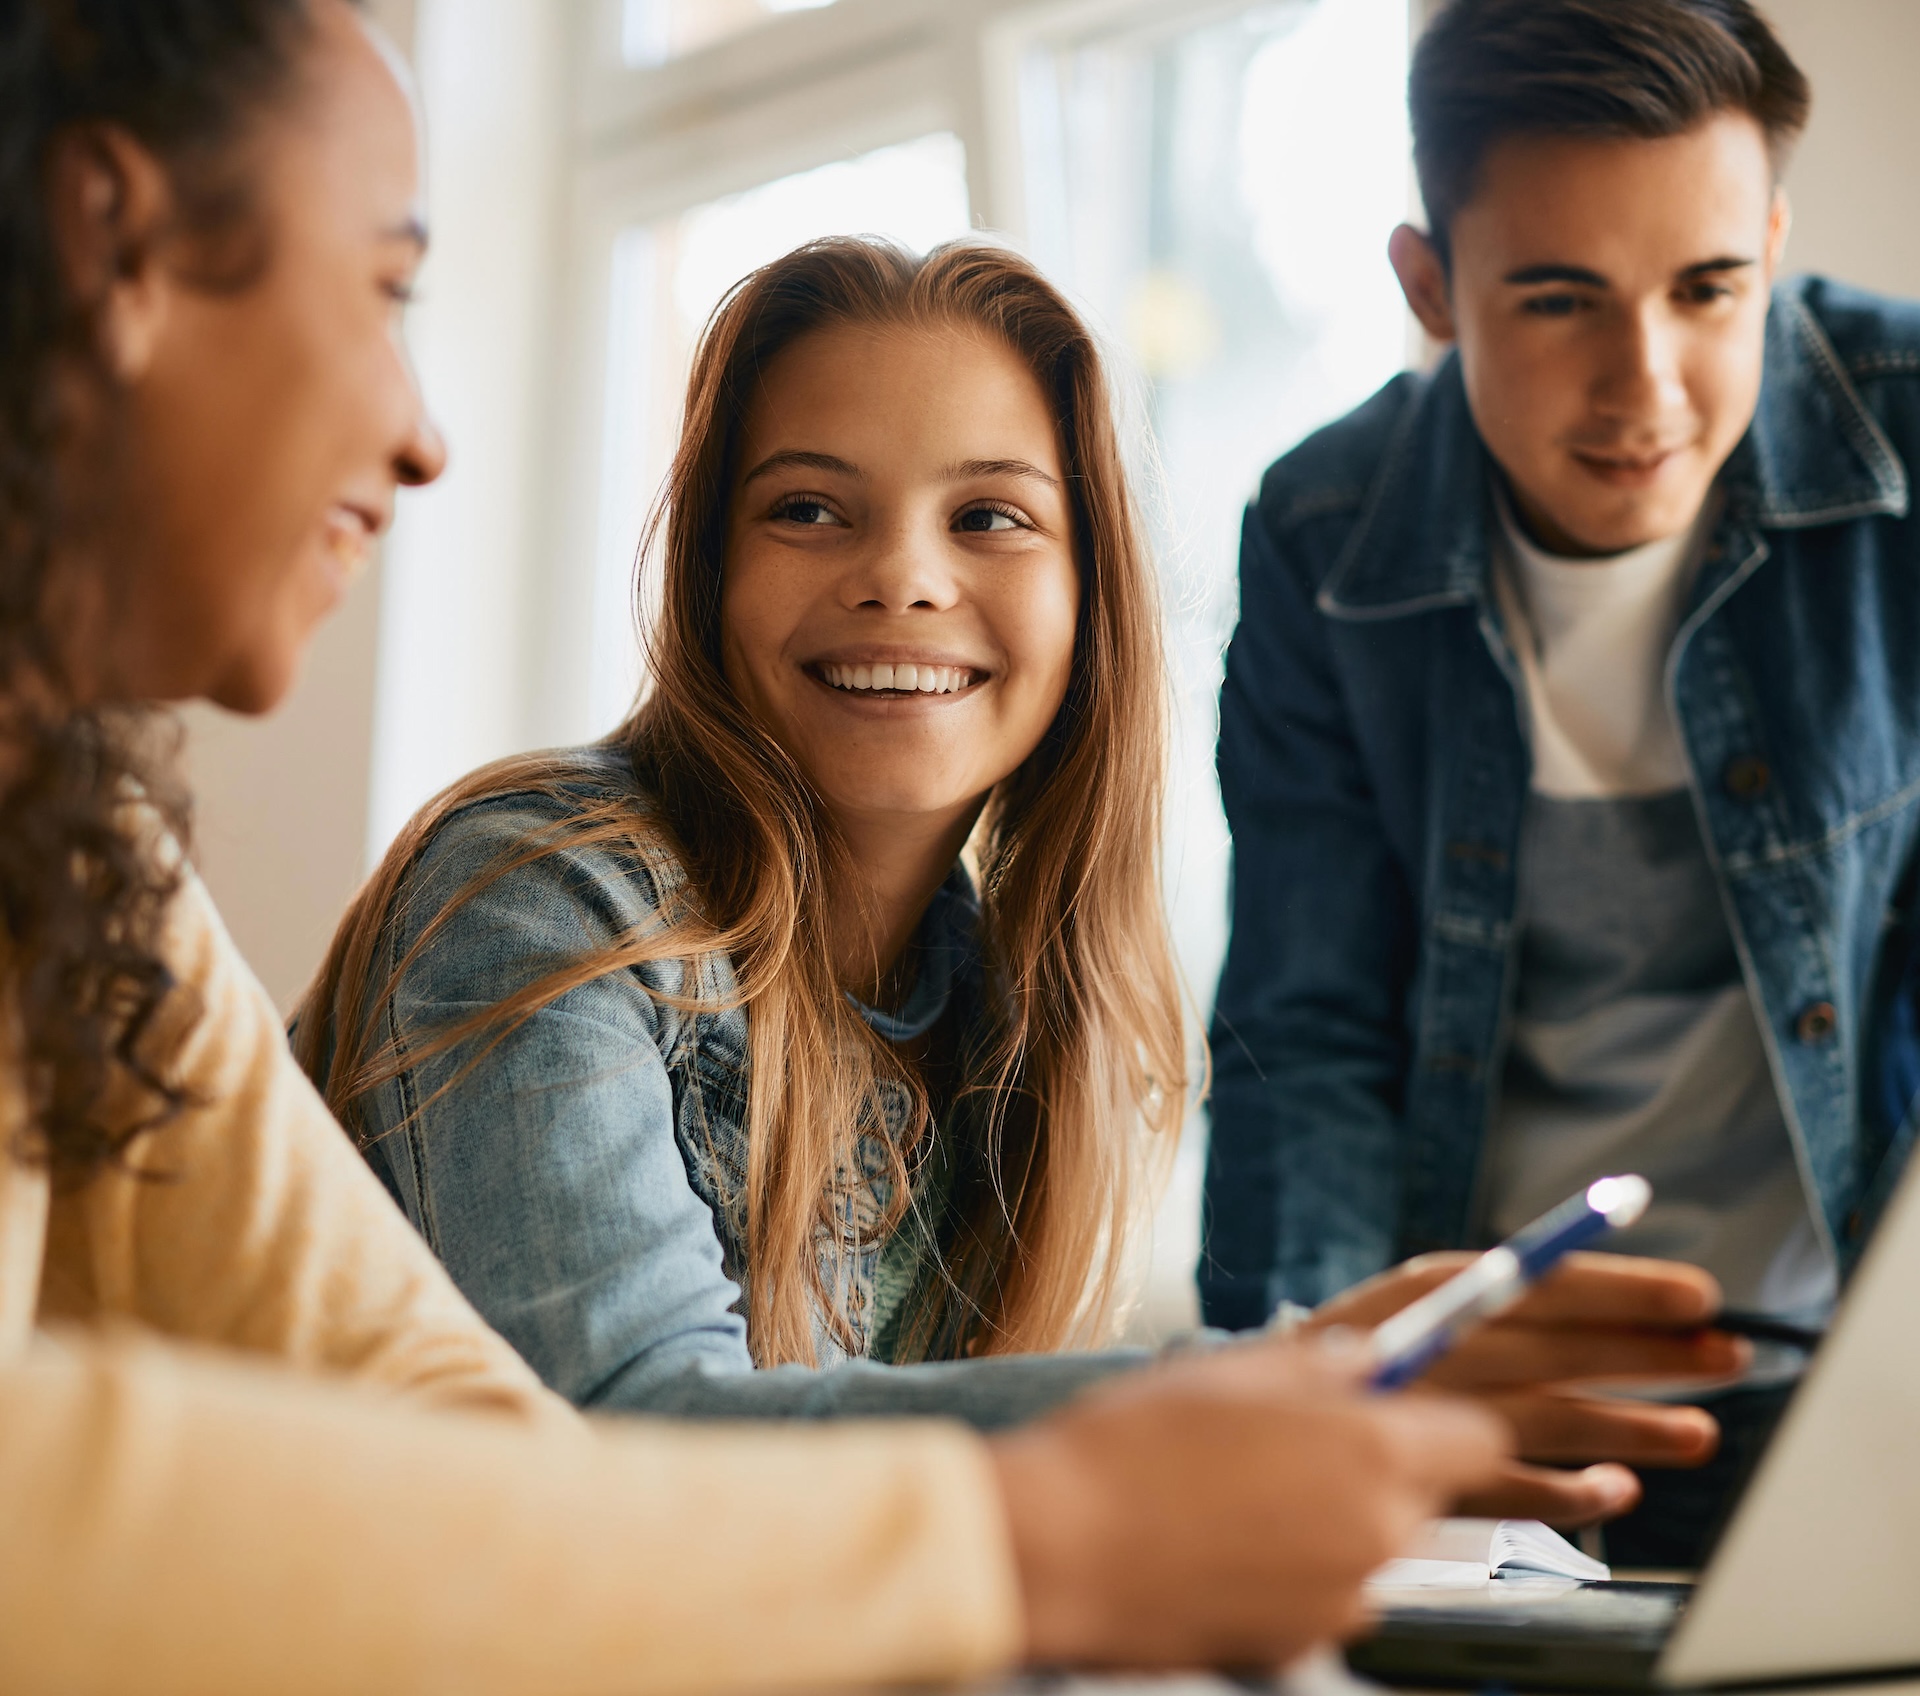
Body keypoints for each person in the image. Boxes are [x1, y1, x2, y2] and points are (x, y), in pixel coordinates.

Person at [0, 0, 1533, 1687]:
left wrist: (1280, 1397)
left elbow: (472, 1433)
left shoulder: (88, 871)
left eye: (991, 516)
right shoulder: (544, 895)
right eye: (386, 290)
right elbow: (597, 1447)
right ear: (113, 247)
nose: (427, 435)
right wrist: (1079, 1502)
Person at [295, 228, 1743, 1524]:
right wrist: (1258, 1389)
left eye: (988, 516)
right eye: (808, 509)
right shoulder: (543, 895)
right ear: (708, 572)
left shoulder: (1014, 1013)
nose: (903, 578)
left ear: (1089, 596)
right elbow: (633, 1440)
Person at [1203, 0, 1920, 1566]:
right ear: (1430, 288)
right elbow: (1308, 1038)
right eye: (1558, 299)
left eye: (1708, 289)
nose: (1643, 386)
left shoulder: (1909, 432)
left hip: (1867, 1389)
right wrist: (1310, 1410)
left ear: (1773, 243)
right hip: (1495, 1410)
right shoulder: (1324, 535)